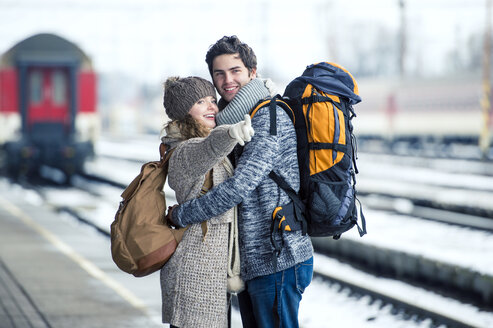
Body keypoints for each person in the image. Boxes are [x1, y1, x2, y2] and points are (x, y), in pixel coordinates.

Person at [169, 36, 314, 328]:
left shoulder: (267, 118)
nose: (227, 80)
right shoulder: (231, 122)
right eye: (219, 74)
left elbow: (239, 186)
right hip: (253, 262)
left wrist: (182, 215)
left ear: (252, 72)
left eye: (235, 70)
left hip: (277, 256)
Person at [159, 76, 254, 328]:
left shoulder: (198, 141)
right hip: (193, 272)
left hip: (209, 270)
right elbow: (209, 148)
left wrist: (259, 87)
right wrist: (232, 132)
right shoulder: (184, 151)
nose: (212, 106)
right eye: (201, 102)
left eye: (213, 100)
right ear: (184, 112)